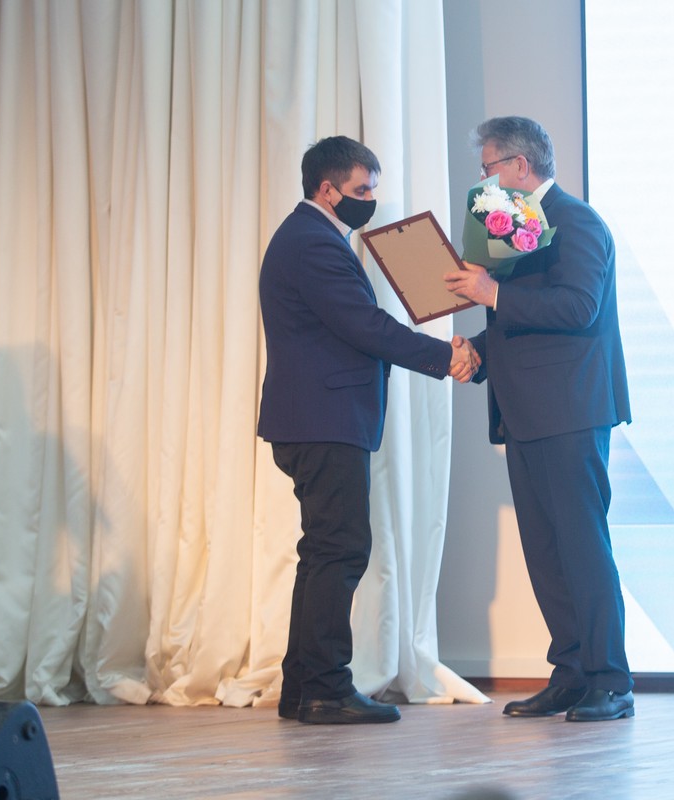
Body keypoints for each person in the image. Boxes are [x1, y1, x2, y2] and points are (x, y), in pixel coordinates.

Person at [259, 136, 479, 725]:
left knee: (323, 552)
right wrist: (444, 356)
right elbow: (364, 325)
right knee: (339, 549)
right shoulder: (313, 242)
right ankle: (326, 689)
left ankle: (304, 687)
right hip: (323, 421)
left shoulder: (311, 237)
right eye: (361, 190)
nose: (370, 200)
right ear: (326, 189)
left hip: (316, 419)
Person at [444, 116, 634, 722]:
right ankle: (572, 675)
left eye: (489, 169)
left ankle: (610, 680)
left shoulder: (577, 221)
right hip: (527, 412)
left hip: (571, 411)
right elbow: (521, 321)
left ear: (520, 167)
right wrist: (478, 352)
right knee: (547, 553)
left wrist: (493, 293)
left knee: (582, 546)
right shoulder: (519, 229)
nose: (484, 182)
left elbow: (578, 307)